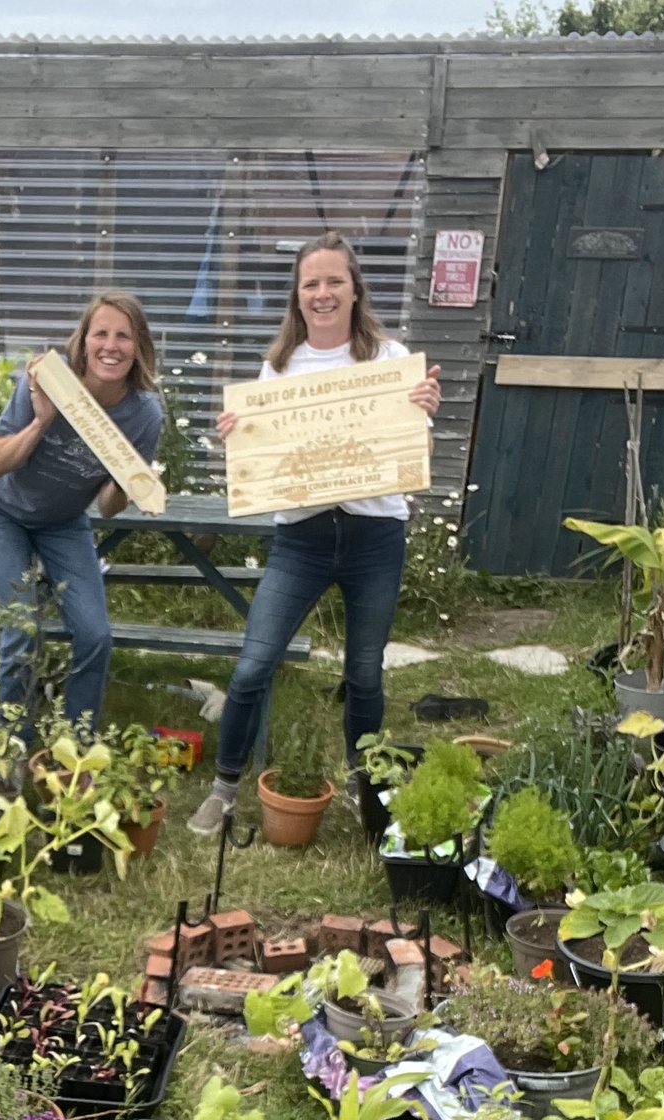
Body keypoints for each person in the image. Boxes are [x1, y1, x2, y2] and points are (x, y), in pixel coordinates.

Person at [188, 233, 442, 836]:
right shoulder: (278, 367)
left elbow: (414, 458)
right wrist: (239, 439)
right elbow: (261, 460)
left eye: (334, 281)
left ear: (355, 289)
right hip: (300, 539)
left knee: (365, 672)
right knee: (252, 666)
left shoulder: (388, 358)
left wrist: (421, 414)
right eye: (311, 284)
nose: (323, 293)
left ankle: (368, 793)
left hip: (374, 537)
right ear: (297, 297)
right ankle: (225, 789)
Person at [0, 292, 165, 729]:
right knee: (21, 624)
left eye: (123, 336)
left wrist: (129, 481)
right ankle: (11, 741)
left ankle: (77, 746)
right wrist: (41, 421)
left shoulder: (145, 415)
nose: (111, 346)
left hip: (61, 520)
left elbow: (109, 509)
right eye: (101, 334)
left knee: (96, 634)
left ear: (139, 347)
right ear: (84, 341)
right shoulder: (47, 381)